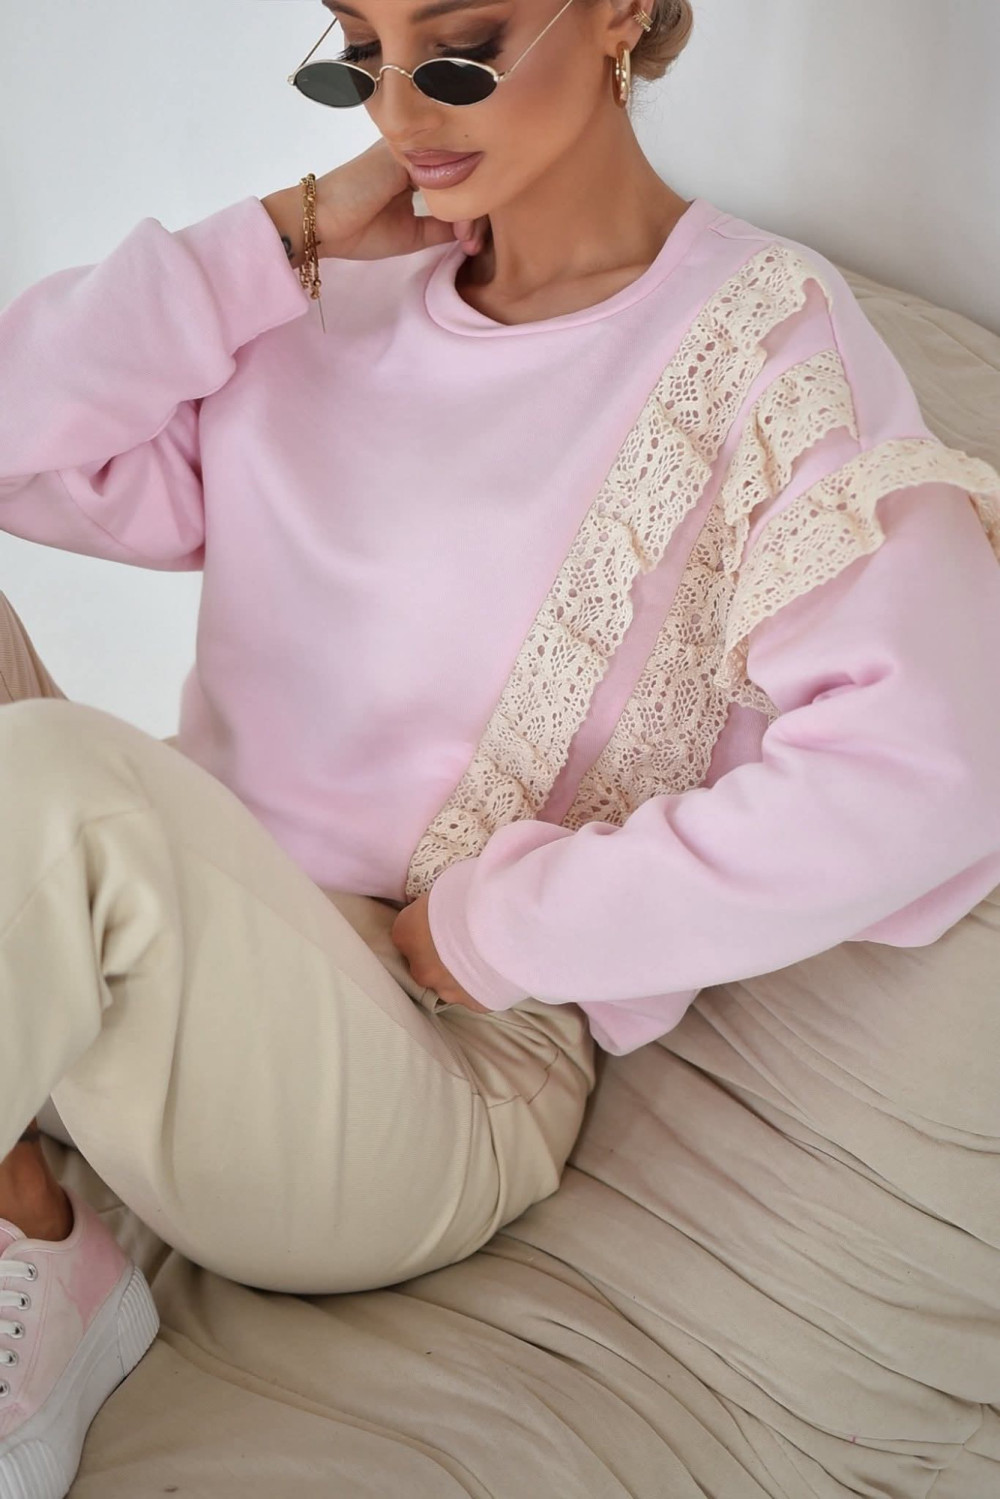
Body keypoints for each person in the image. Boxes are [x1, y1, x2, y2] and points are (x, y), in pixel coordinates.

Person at [1, 1, 999, 1495]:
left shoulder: (762, 342)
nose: (404, 112)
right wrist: (274, 238)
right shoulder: (328, 298)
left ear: (621, 13)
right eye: (360, 54)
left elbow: (933, 769)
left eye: (461, 49)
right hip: (184, 966)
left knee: (64, 792)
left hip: (424, 1081)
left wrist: (505, 926)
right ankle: (34, 1217)